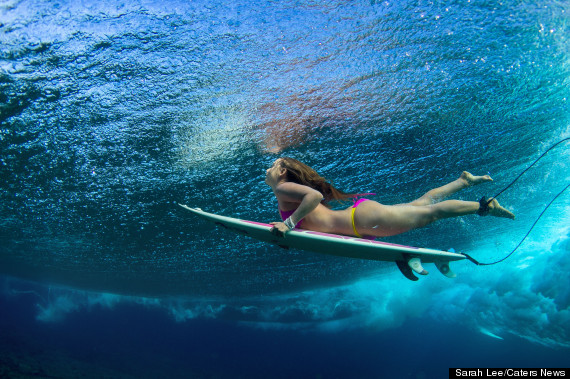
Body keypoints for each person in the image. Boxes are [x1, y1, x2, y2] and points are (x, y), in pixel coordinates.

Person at [265, 157, 515, 238]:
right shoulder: (285, 190)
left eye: (272, 165)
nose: (267, 169)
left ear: (283, 172)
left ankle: (485, 206)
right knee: (421, 205)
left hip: (360, 222)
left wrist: (287, 225)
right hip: (360, 218)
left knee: (431, 213)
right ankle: (464, 181)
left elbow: (314, 195)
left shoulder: (282, 188)